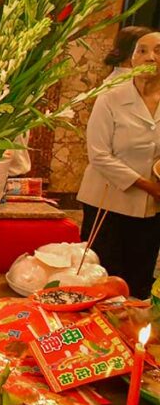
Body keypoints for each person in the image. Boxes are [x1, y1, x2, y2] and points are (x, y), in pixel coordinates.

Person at [77, 30, 160, 299]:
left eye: (158, 51)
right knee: (103, 277)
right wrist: (148, 185)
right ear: (132, 57)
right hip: (107, 201)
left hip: (152, 207)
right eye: (142, 50)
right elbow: (99, 155)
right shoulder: (110, 96)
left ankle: (130, 336)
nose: (150, 57)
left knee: (140, 277)